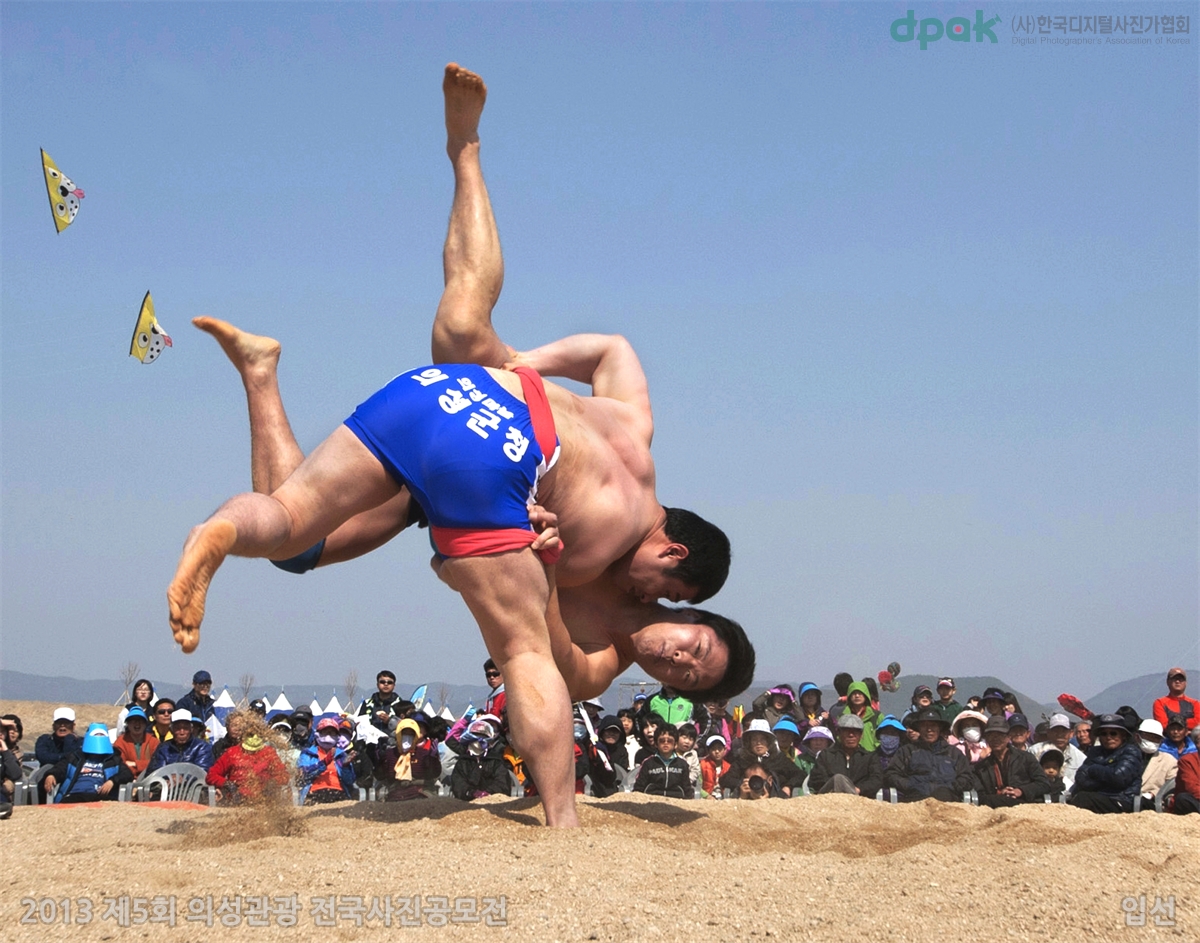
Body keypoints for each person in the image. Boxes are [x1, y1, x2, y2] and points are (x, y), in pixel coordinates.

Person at [169, 66, 753, 828]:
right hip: (500, 459)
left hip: (441, 400)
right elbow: (538, 642)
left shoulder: (636, 434)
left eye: (684, 673)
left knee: (293, 529)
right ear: (673, 552)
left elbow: (614, 348)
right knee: (522, 654)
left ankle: (239, 451)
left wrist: (516, 367)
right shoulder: (605, 558)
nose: (668, 637)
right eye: (685, 625)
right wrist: (533, 546)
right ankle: (564, 825)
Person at [883, 708, 973, 802]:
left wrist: (952, 786)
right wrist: (909, 785)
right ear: (919, 728)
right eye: (925, 725)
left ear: (940, 728)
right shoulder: (907, 751)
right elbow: (891, 774)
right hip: (915, 799)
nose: (929, 729)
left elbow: (967, 777)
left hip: (947, 801)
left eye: (933, 725)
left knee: (942, 794)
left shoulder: (954, 753)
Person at [205, 711, 288, 803]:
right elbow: (211, 775)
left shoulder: (269, 753)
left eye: (257, 733)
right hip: (235, 802)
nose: (254, 737)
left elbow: (283, 775)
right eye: (251, 734)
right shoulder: (232, 753)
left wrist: (271, 783)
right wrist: (227, 784)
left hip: (264, 802)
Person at [1067, 713, 1141, 814]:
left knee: (1083, 799)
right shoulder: (1095, 752)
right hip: (1097, 797)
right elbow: (1080, 777)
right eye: (1104, 734)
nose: (1108, 737)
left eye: (1113, 733)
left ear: (1123, 735)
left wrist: (1093, 769)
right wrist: (1103, 782)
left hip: (1122, 800)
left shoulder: (1131, 752)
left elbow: (1119, 777)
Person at [972, 715, 1052, 807]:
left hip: (1024, 806)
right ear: (986, 738)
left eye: (1000, 735)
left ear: (1008, 737)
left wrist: (1021, 791)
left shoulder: (1026, 758)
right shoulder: (980, 768)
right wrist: (1000, 794)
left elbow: (1044, 784)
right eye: (991, 736)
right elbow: (980, 795)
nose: (995, 739)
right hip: (994, 807)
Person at [45, 724, 133, 804]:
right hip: (75, 795)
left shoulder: (113, 759)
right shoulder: (75, 757)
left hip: (100, 796)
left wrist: (112, 781)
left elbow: (127, 774)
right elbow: (60, 768)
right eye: (96, 735)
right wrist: (52, 775)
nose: (99, 739)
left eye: (102, 736)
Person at [807, 714, 883, 797]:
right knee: (838, 779)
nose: (851, 735)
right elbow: (816, 780)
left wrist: (859, 789)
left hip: (860, 799)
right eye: (847, 731)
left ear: (861, 735)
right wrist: (838, 785)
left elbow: (876, 780)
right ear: (839, 733)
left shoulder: (869, 757)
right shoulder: (826, 755)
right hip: (830, 798)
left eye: (855, 732)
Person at [297, 716, 358, 803]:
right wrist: (323, 764)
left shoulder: (341, 755)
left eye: (332, 733)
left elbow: (349, 781)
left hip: (339, 793)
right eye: (325, 732)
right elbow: (302, 775)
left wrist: (345, 767)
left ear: (337, 737)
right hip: (315, 793)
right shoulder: (308, 754)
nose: (328, 736)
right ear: (317, 734)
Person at [633, 725, 694, 799]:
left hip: (676, 801)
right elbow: (639, 787)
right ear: (656, 744)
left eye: (670, 741)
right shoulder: (648, 763)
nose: (666, 743)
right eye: (662, 740)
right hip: (652, 801)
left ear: (675, 744)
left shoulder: (682, 764)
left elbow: (687, 788)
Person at [1029, 713, 1087, 790]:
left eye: (1064, 731)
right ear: (1048, 732)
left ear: (1071, 733)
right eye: (1056, 731)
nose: (1060, 735)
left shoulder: (1080, 758)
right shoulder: (1034, 751)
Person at [146, 709, 215, 773]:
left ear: (191, 729)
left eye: (185, 728)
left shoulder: (201, 747)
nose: (182, 732)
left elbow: (203, 771)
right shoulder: (163, 748)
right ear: (171, 730)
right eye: (177, 728)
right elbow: (154, 772)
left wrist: (183, 777)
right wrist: (168, 778)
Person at [1133, 719, 1177, 807]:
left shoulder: (1169, 761)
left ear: (1161, 742)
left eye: (1156, 738)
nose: (1151, 740)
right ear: (1137, 737)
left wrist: (1153, 794)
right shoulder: (1125, 755)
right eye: (1147, 736)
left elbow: (1173, 786)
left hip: (1153, 803)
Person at [833, 681, 881, 752]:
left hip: (871, 755)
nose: (857, 696)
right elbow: (838, 737)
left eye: (860, 693)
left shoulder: (876, 716)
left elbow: (882, 737)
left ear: (866, 695)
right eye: (854, 693)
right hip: (848, 754)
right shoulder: (842, 716)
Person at [112, 707, 159, 778]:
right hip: (127, 779)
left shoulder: (154, 741)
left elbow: (156, 764)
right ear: (128, 724)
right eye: (133, 721)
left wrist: (135, 764)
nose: (137, 724)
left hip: (149, 779)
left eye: (140, 720)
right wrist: (143, 766)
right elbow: (120, 766)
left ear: (145, 724)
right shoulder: (120, 742)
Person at [1153, 668, 1198, 733]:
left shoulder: (1195, 703)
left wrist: (1173, 722)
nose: (1177, 681)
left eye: (1181, 679)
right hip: (1167, 738)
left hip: (1191, 738)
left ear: (1185, 683)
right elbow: (1163, 724)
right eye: (1174, 679)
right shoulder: (1160, 703)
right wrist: (1187, 726)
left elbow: (1198, 722)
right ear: (1168, 682)